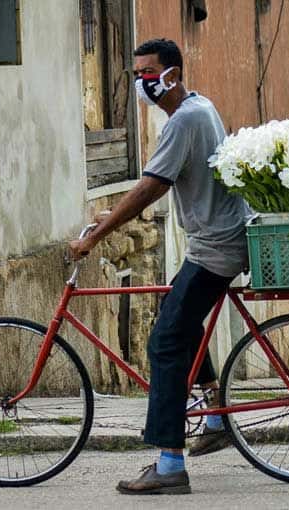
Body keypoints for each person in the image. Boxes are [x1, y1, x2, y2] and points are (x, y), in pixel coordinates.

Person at [69, 39, 252, 495]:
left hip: (216, 248)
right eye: (136, 75)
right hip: (217, 241)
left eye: (149, 73)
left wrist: (95, 235)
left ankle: (170, 463)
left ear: (172, 74)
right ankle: (214, 414)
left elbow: (150, 187)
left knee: (164, 343)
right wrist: (108, 218)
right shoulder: (198, 107)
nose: (142, 82)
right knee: (177, 311)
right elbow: (160, 182)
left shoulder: (184, 120)